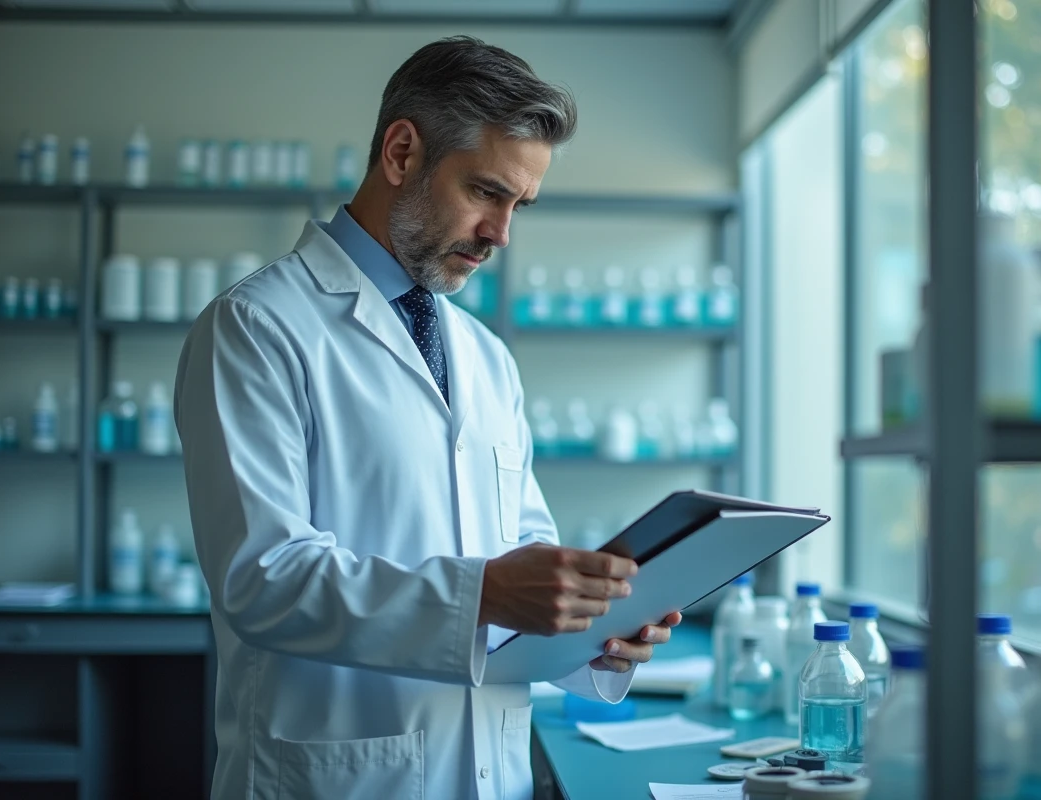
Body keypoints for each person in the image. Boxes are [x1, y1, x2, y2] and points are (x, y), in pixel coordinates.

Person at [175, 36, 682, 800]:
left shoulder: (485, 357)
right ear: (403, 153)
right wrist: (483, 596)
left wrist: (592, 628)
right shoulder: (257, 326)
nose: (501, 234)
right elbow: (263, 579)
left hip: (488, 771)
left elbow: (520, 550)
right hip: (335, 776)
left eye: (520, 205)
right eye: (486, 192)